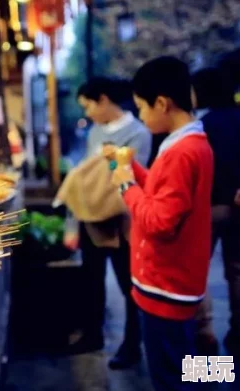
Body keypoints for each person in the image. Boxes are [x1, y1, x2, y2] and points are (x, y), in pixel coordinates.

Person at [109, 56, 213, 391]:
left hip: (166, 287)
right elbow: (163, 192)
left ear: (162, 103)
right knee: (186, 363)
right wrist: (133, 169)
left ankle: (225, 375)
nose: (140, 116)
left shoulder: (182, 152)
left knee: (171, 375)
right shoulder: (188, 142)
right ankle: (220, 376)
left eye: (141, 108)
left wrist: (126, 184)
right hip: (176, 283)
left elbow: (159, 221)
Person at [68, 77, 151, 369]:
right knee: (91, 280)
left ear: (103, 100)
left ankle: (132, 345)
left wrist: (109, 165)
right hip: (91, 219)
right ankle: (93, 334)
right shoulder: (95, 133)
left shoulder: (138, 133)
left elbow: (127, 173)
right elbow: (90, 176)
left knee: (129, 285)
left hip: (122, 223)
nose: (87, 112)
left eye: (89, 105)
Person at [192, 67, 240, 357]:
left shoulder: (202, 126)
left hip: (208, 208)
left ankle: (204, 334)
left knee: (198, 270)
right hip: (238, 205)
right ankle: (237, 332)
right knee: (237, 270)